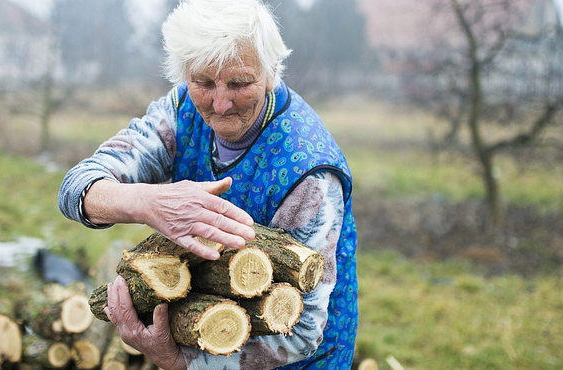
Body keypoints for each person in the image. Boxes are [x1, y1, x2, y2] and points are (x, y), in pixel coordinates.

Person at [58, 0, 357, 369]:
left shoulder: (308, 173)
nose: (219, 102)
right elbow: (77, 188)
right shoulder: (181, 107)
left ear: (271, 72)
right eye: (203, 82)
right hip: (210, 332)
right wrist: (146, 202)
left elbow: (303, 332)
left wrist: (177, 361)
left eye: (240, 83)